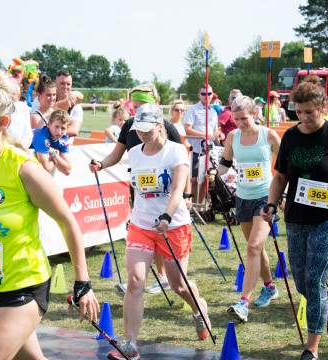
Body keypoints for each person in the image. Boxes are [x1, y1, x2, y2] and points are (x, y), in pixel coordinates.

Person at [0, 68, 99, 360]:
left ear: (2, 123)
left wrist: (82, 283)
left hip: (21, 289)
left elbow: (67, 221)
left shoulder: (23, 169)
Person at [106, 103, 211, 360]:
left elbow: (176, 190)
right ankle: (129, 344)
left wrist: (167, 215)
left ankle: (199, 311)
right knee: (134, 282)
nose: (141, 134)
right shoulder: (135, 152)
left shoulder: (176, 151)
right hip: (141, 225)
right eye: (138, 130)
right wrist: (99, 163)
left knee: (178, 285)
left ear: (160, 127)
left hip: (173, 225)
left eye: (146, 130)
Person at [260, 75, 328, 360]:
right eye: (298, 112)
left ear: (322, 106)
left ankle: (311, 348)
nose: (304, 117)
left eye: (309, 112)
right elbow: (281, 175)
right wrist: (272, 203)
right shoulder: (291, 136)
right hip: (296, 218)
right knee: (301, 281)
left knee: (313, 278)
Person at [89, 83, 187, 297]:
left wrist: (185, 195)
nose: (138, 111)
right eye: (135, 106)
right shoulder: (131, 125)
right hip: (142, 190)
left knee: (161, 234)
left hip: (166, 195)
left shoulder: (166, 127)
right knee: (148, 233)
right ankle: (146, 278)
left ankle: (165, 278)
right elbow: (117, 153)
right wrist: (102, 164)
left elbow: (180, 163)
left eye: (143, 105)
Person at [207, 96, 281, 322]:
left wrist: (282, 193)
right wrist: (214, 173)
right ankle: (269, 287)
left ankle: (243, 303)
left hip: (265, 198)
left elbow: (286, 164)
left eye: (245, 118)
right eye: (236, 119)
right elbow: (226, 163)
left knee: (252, 247)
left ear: (254, 114)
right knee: (256, 249)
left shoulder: (268, 135)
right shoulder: (232, 136)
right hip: (242, 198)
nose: (240, 123)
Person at [184, 84, 224, 214]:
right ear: (199, 95)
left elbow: (214, 130)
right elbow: (187, 129)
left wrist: (219, 136)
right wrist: (204, 135)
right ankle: (192, 206)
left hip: (210, 150)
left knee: (205, 178)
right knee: (194, 179)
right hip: (196, 149)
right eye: (203, 94)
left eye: (209, 93)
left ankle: (200, 207)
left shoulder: (213, 111)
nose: (207, 96)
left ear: (212, 95)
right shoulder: (192, 110)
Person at [31, 109, 72, 176]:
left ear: (67, 128)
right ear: (48, 124)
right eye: (56, 127)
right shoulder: (42, 138)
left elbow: (67, 170)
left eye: (63, 128)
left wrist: (54, 154)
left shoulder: (63, 138)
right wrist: (55, 154)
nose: (59, 132)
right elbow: (45, 170)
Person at [6, 80, 33, 152]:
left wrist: (20, 147)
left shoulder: (23, 108)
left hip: (20, 150)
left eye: (13, 93)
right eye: (7, 93)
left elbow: (28, 134)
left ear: (19, 96)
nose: (10, 96)